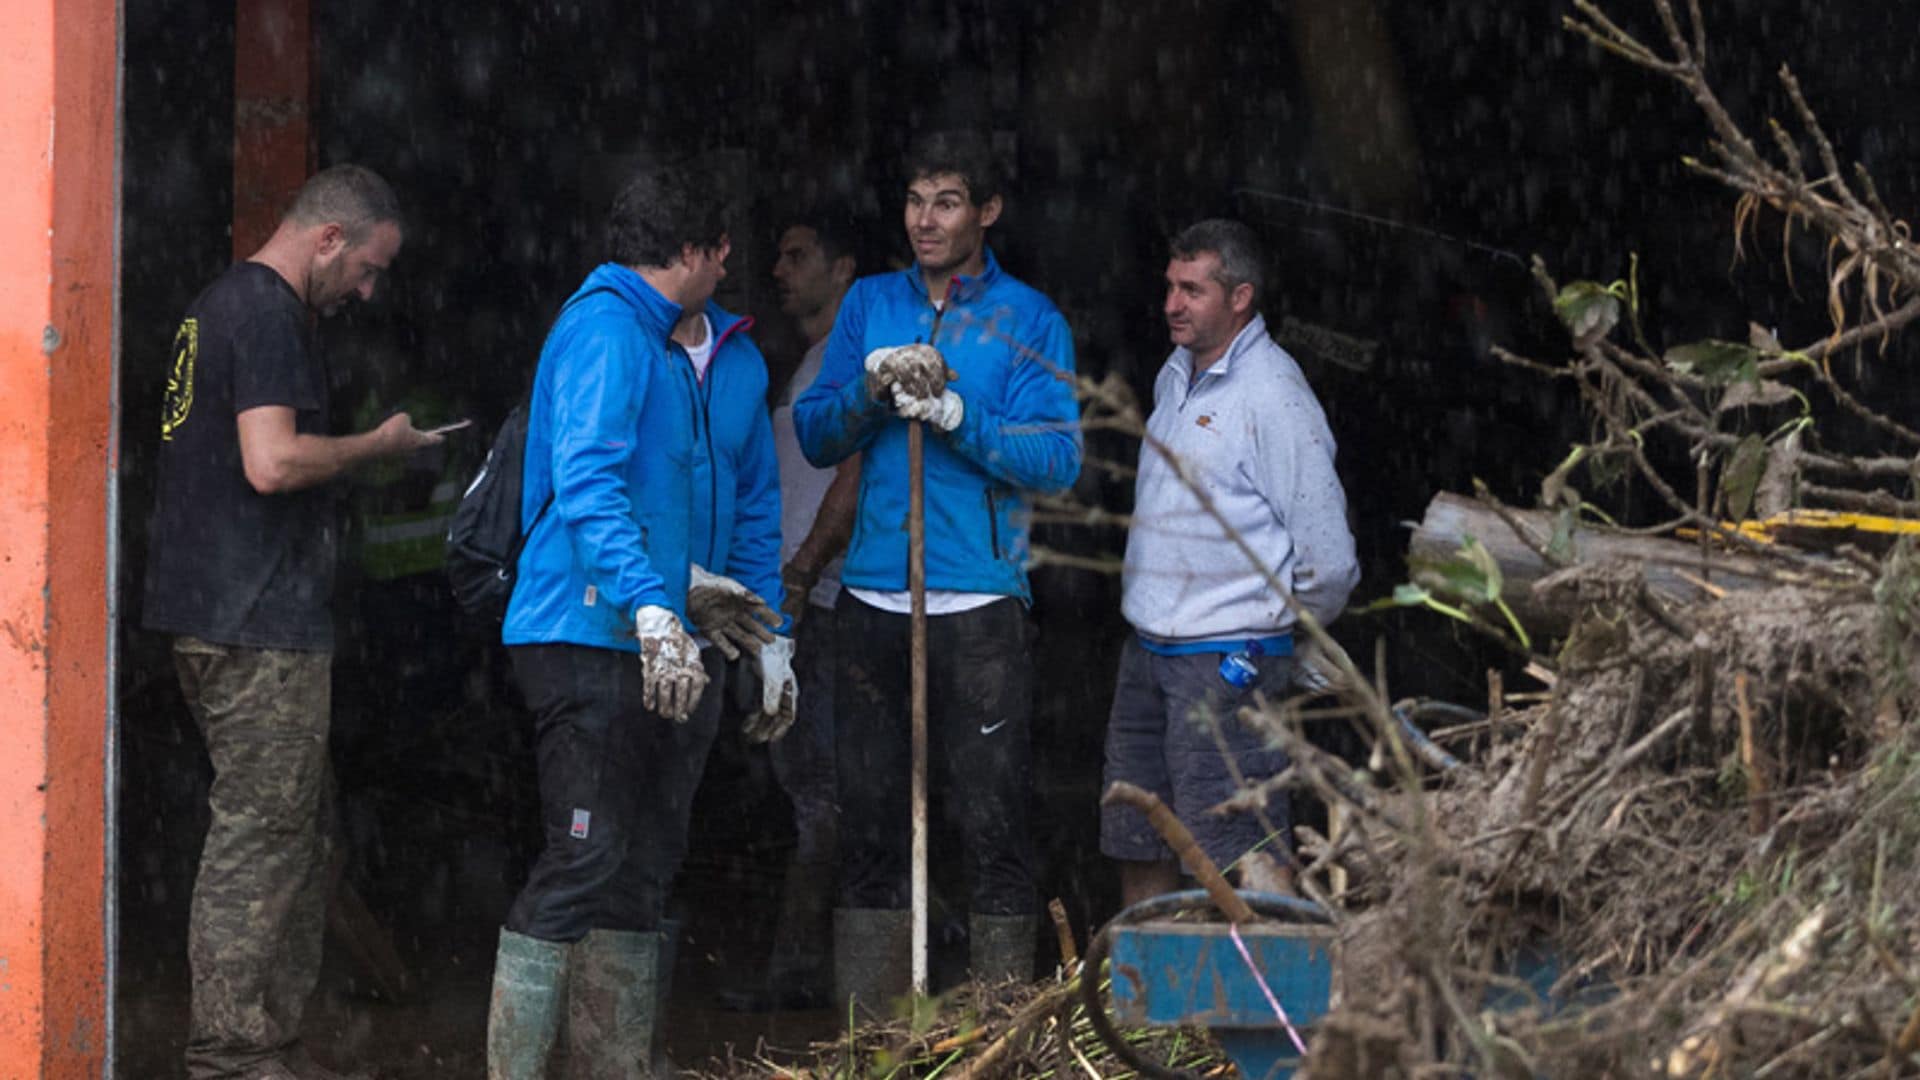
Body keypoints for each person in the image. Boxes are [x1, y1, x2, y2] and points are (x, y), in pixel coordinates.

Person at [142, 164, 439, 1080]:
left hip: (218, 611)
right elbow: (270, 464)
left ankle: (266, 1044)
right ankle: (233, 1056)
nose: (369, 290)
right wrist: (377, 448)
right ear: (329, 239)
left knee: (296, 835)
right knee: (261, 840)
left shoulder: (217, 305)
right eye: (368, 268)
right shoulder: (268, 313)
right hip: (254, 620)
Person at [794, 131, 1082, 1009]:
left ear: (986, 212)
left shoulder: (1029, 319)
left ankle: (997, 1027)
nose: (926, 219)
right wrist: (868, 393)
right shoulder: (870, 305)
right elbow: (814, 434)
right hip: (876, 594)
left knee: (992, 822)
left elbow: (1059, 461)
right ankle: (872, 1037)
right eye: (916, 200)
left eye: (947, 201)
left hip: (982, 598)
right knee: (870, 822)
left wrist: (959, 414)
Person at [484, 162, 726, 1078]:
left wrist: (685, 590)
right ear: (697, 252)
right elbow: (586, 480)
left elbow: (644, 493)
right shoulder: (610, 331)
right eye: (720, 256)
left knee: (630, 870)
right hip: (581, 633)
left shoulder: (648, 335)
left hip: (620, 630)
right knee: (581, 861)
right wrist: (652, 601)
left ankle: (609, 1068)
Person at [1100, 219, 1360, 907]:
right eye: (1169, 287)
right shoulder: (1174, 374)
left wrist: (1280, 636)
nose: (1172, 305)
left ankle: (1248, 1008)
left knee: (1236, 846)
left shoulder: (1274, 395)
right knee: (1139, 831)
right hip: (1149, 651)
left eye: (1193, 290)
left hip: (1225, 660)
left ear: (1240, 297)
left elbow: (1330, 561)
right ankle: (1153, 1010)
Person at [714, 205, 863, 1012]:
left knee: (819, 794)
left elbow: (857, 476)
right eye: (778, 253)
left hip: (820, 603)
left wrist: (803, 574)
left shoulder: (850, 363)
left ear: (843, 271)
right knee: (804, 787)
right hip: (786, 603)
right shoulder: (811, 363)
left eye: (798, 254)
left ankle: (799, 974)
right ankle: (818, 962)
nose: (781, 269)